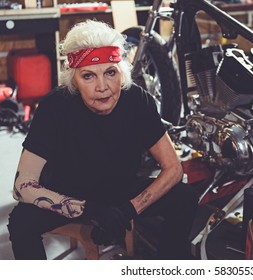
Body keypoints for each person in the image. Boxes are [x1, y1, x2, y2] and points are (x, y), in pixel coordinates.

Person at [7, 19, 198, 260]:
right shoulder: (55, 106)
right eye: (88, 76)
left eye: (110, 73)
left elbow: (173, 168)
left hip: (120, 193)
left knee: (184, 198)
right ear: (74, 80)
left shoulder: (138, 100)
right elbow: (23, 186)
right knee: (21, 222)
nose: (102, 87)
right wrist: (90, 210)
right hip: (68, 194)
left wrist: (129, 209)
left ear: (122, 73)